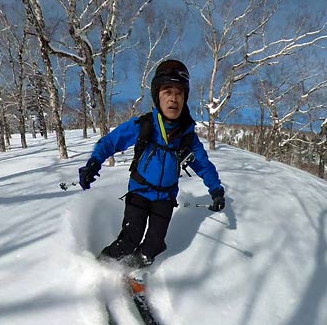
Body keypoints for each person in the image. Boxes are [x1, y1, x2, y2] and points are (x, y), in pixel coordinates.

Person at [78, 59, 226, 268]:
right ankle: (100, 266)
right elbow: (112, 141)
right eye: (167, 91)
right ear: (158, 95)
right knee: (130, 239)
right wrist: (94, 163)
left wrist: (216, 190)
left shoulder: (187, 138)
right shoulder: (144, 125)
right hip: (139, 192)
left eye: (179, 93)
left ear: (184, 98)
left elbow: (203, 165)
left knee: (154, 245)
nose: (174, 98)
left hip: (165, 198)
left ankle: (133, 269)